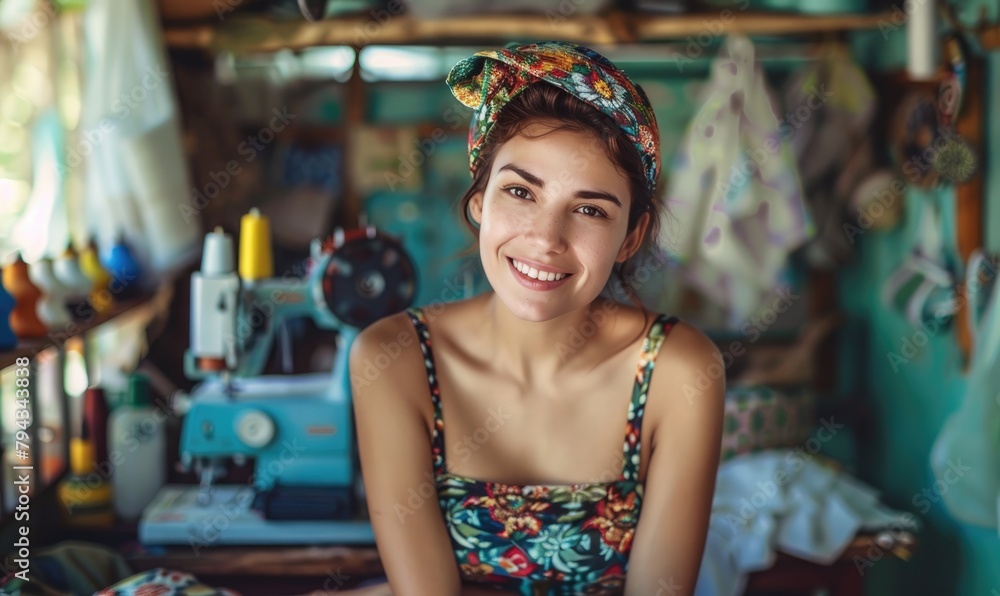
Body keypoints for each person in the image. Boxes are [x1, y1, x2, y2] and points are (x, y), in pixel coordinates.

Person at [346, 41, 724, 596]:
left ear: (631, 237)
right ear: (480, 202)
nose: (546, 240)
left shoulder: (677, 372)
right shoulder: (393, 358)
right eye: (521, 192)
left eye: (591, 209)